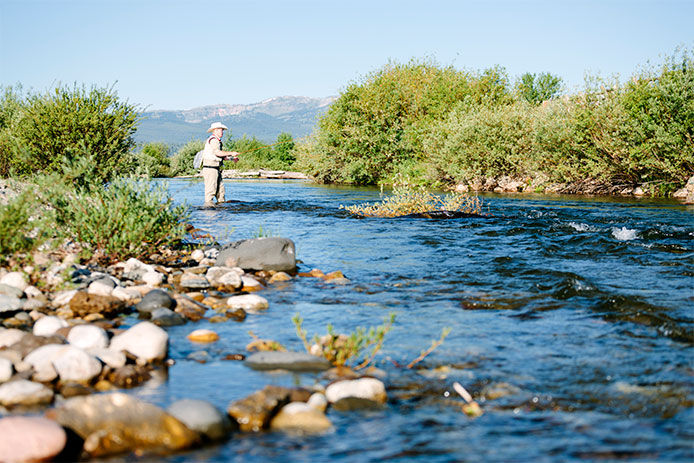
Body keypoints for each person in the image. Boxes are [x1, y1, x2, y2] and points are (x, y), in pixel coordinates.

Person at [201, 122, 240, 207]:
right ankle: (209, 212)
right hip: (210, 169)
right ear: (214, 130)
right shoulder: (214, 140)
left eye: (222, 130)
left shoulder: (217, 140)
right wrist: (231, 153)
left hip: (216, 169)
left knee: (221, 192)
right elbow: (217, 153)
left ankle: (221, 210)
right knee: (210, 191)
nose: (222, 132)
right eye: (219, 130)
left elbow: (221, 157)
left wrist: (232, 158)